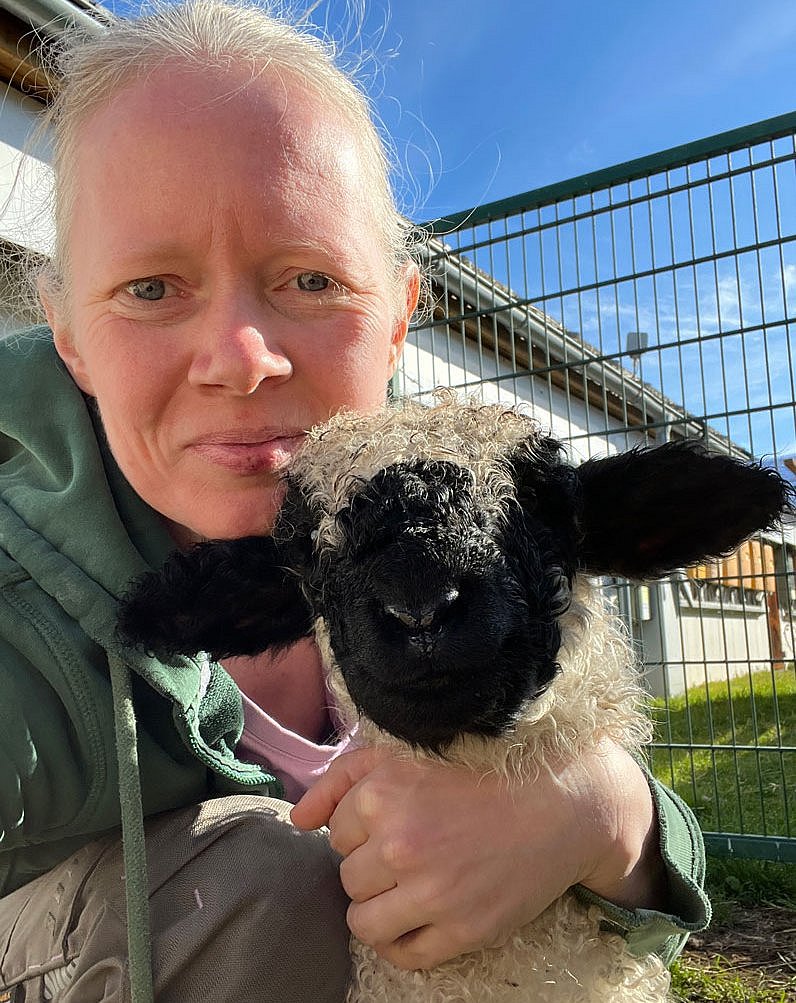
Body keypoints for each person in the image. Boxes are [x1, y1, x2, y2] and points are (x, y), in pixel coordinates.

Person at [0, 2, 710, 1001]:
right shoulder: (21, 627)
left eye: (310, 277)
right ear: (68, 329)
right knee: (268, 883)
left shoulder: (447, 522)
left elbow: (641, 839)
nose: (242, 359)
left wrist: (598, 813)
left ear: (397, 321)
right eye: (152, 289)